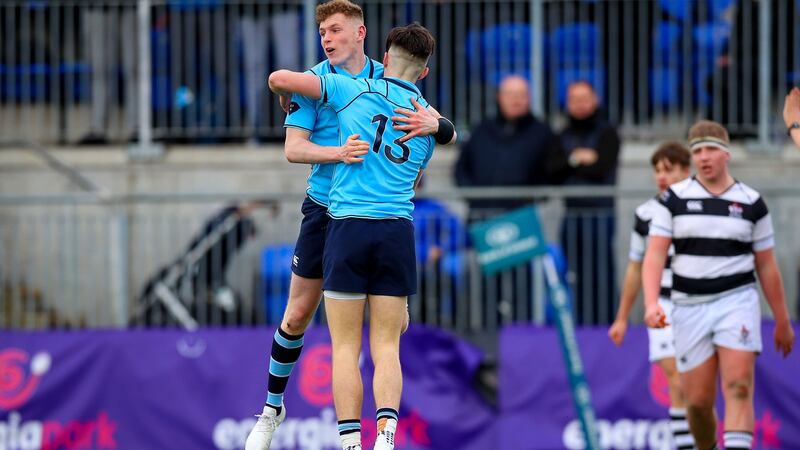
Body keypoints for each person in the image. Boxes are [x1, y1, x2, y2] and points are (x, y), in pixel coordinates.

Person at [245, 2, 454, 449]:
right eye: (322, 31)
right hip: (326, 209)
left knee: (360, 337)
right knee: (297, 315)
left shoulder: (383, 76)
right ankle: (271, 410)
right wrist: (338, 153)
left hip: (364, 217)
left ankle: (354, 438)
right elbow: (293, 148)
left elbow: (443, 129)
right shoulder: (318, 80)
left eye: (335, 30)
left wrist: (438, 124)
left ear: (360, 33)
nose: (327, 38)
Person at [643, 120, 795, 450]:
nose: (704, 157)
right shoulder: (673, 200)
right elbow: (654, 255)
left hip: (736, 302)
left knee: (739, 386)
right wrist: (651, 302)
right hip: (689, 306)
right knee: (697, 402)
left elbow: (766, 265)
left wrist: (782, 319)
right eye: (698, 151)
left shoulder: (752, 202)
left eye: (711, 149)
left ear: (727, 153)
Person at [607, 141, 694, 450]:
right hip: (664, 305)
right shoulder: (645, 214)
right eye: (657, 170)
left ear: (687, 171)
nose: (661, 176)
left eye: (669, 170)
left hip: (700, 303)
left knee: (698, 388)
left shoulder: (705, 207)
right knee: (676, 379)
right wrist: (621, 317)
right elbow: (635, 267)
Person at [549, 80, 621, 325]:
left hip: (600, 213)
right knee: (574, 273)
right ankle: (581, 325)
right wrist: (577, 160)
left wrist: (571, 163)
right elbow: (553, 171)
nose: (579, 104)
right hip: (571, 214)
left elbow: (602, 168)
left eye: (584, 98)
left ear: (595, 100)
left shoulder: (607, 132)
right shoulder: (562, 135)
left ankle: (607, 323)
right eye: (574, 99)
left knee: (601, 272)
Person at [454, 75, 555, 223]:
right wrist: (473, 197)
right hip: (482, 216)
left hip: (523, 217)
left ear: (529, 98)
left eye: (521, 95)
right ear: (499, 97)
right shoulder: (482, 130)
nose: (516, 100)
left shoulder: (542, 133)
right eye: (510, 94)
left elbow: (551, 172)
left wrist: (531, 198)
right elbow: (462, 167)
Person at [78, 4, 138, 144]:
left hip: (132, 7)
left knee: (135, 69)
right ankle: (98, 129)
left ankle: (138, 128)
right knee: (99, 70)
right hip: (98, 7)